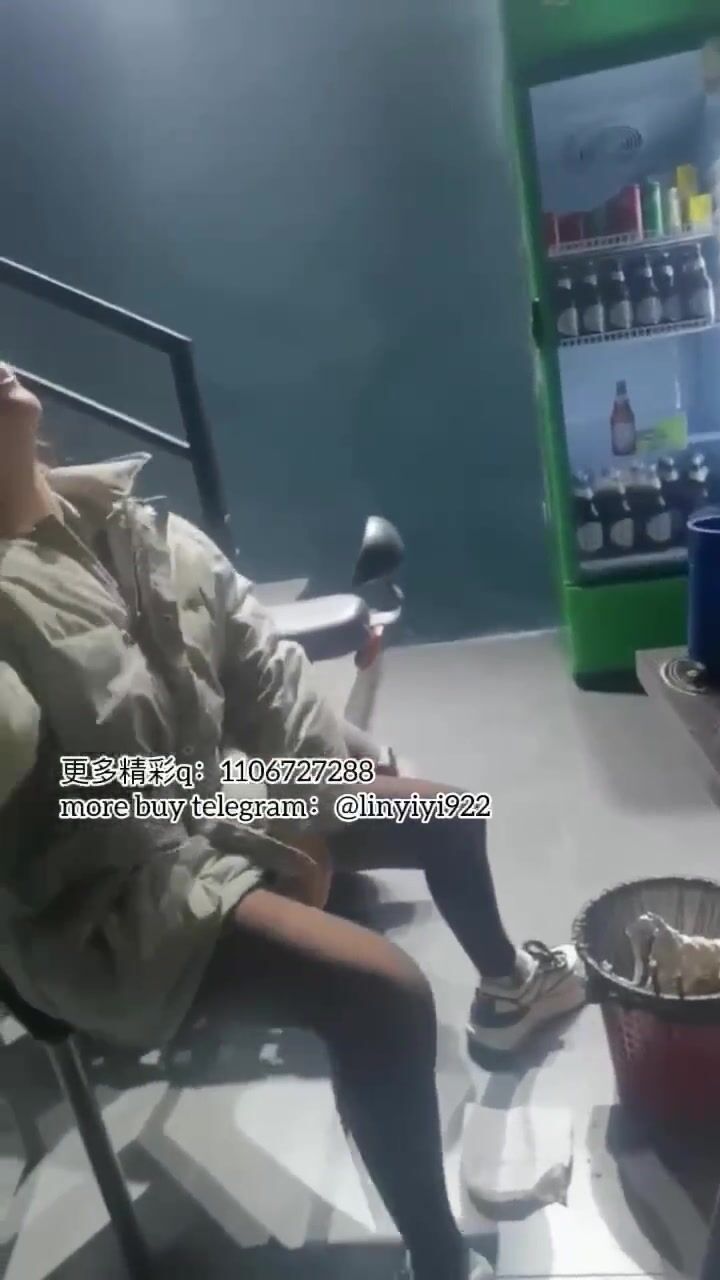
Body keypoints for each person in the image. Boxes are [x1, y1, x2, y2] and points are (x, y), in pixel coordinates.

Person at [0, 362, 585, 1280]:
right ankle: (440, 1261)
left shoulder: (138, 529)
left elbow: (270, 688)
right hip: (98, 898)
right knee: (384, 996)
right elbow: (77, 792)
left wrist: (327, 789)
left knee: (447, 813)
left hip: (205, 806)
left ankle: (509, 992)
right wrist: (259, 819)